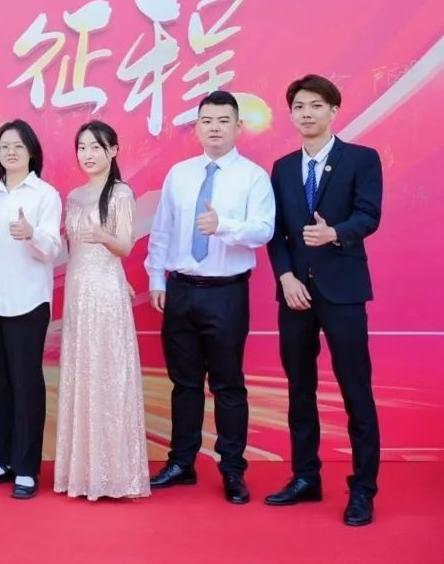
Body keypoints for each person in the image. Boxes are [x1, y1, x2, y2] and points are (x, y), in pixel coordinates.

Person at [145, 90, 275, 504]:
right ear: (197, 128)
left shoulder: (253, 177)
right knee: (184, 383)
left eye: (223, 121)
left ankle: (232, 469)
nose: (214, 128)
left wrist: (224, 226)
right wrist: (157, 278)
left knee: (228, 384)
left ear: (238, 127)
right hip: (181, 289)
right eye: (207, 121)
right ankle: (181, 462)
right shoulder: (180, 174)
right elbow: (163, 229)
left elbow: (264, 230)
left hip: (226, 292)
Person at [264, 74, 382, 527]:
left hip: (343, 291)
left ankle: (363, 490)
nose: (307, 113)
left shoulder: (361, 159)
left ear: (334, 110)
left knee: (355, 390)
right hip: (296, 293)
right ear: (291, 114)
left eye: (316, 105)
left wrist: (336, 232)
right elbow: (276, 232)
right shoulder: (281, 168)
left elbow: (369, 214)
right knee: (299, 389)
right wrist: (285, 277)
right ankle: (305, 477)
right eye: (299, 106)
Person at [0, 119, 61, 500]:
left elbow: (52, 248)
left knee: (26, 385)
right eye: (4, 147)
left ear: (31, 151)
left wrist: (31, 234)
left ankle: (27, 467)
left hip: (28, 303)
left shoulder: (45, 195)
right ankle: (3, 460)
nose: (11, 152)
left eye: (18, 146)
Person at [54, 121, 150, 501]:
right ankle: (82, 473)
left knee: (108, 374)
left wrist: (102, 236)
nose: (88, 154)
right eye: (82, 147)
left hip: (107, 292)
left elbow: (125, 246)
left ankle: (115, 474)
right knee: (82, 374)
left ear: (113, 150)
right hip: (78, 291)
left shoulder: (121, 193)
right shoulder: (73, 195)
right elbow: (71, 249)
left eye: (95, 147)